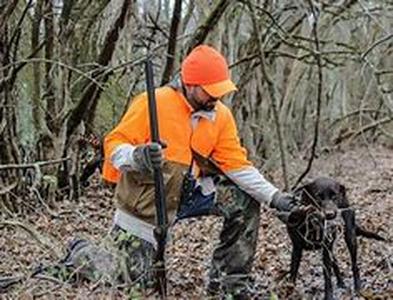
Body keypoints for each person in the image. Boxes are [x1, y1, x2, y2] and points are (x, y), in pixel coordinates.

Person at [101, 45, 299, 297]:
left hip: (190, 195)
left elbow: (237, 166)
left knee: (244, 200)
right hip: (147, 204)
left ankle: (229, 285)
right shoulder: (153, 102)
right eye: (210, 91)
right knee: (130, 280)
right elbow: (114, 145)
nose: (216, 98)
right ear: (190, 84)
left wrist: (275, 197)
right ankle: (82, 254)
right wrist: (137, 156)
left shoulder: (221, 116)